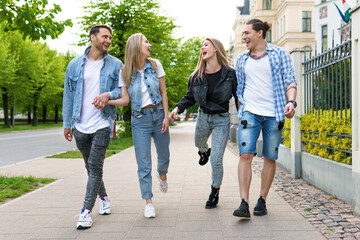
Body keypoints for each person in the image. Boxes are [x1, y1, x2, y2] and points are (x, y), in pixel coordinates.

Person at [99, 33, 170, 218]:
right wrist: (108, 101)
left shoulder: (155, 65)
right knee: (143, 163)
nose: (150, 44)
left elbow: (163, 92)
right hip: (140, 121)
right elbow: (124, 100)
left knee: (164, 156)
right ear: (136, 46)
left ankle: (162, 174)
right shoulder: (124, 73)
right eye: (146, 41)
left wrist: (166, 117)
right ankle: (148, 202)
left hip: (158, 116)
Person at [232, 19, 297, 218]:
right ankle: (244, 202)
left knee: (269, 157)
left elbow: (290, 79)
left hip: (275, 113)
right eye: (242, 34)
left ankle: (262, 199)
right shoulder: (242, 59)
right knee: (245, 155)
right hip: (250, 112)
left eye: (246, 33)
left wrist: (291, 102)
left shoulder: (280, 54)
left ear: (259, 33)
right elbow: (238, 89)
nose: (243, 37)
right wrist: (242, 108)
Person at [62, 24, 124, 229]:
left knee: (95, 166)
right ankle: (104, 197)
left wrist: (109, 95)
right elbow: (69, 96)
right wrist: (67, 124)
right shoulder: (73, 65)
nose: (108, 40)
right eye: (105, 36)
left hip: (102, 122)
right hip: (80, 124)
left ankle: (86, 211)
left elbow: (122, 92)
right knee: (90, 167)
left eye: (110, 38)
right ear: (92, 37)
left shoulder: (116, 64)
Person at [169, 38, 238, 209]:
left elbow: (238, 96)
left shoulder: (230, 74)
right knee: (198, 143)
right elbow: (189, 97)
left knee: (216, 160)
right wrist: (177, 109)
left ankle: (214, 192)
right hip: (203, 116)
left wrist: (243, 117)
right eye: (202, 46)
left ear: (216, 49)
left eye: (206, 45)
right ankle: (203, 151)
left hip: (222, 118)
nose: (202, 48)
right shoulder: (196, 76)